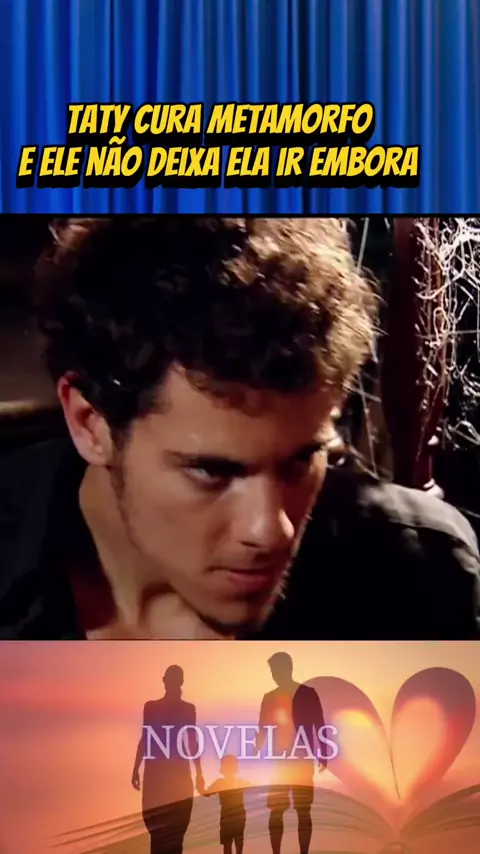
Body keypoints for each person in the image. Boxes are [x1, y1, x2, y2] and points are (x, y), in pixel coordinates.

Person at [0, 216, 478, 640]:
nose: (270, 531)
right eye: (212, 472)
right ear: (90, 424)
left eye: (301, 459)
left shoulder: (420, 573)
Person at [256, 652, 326, 854]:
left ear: (288, 669)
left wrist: (323, 753)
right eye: (272, 672)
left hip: (300, 760)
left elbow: (319, 724)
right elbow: (262, 727)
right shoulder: (270, 698)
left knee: (302, 810)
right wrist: (255, 748)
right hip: (280, 761)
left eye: (276, 671)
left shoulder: (307, 693)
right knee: (277, 810)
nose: (274, 675)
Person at [131, 664, 204, 854]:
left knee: (171, 835)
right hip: (160, 776)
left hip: (172, 776)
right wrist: (136, 768)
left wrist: (199, 773)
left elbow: (192, 742)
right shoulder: (152, 707)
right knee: (163, 834)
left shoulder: (186, 709)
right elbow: (146, 738)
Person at [202, 754, 250, 854]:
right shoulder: (240, 782)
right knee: (236, 841)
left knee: (229, 842)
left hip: (229, 815)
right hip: (235, 815)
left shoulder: (220, 783)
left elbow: (206, 793)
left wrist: (200, 786)